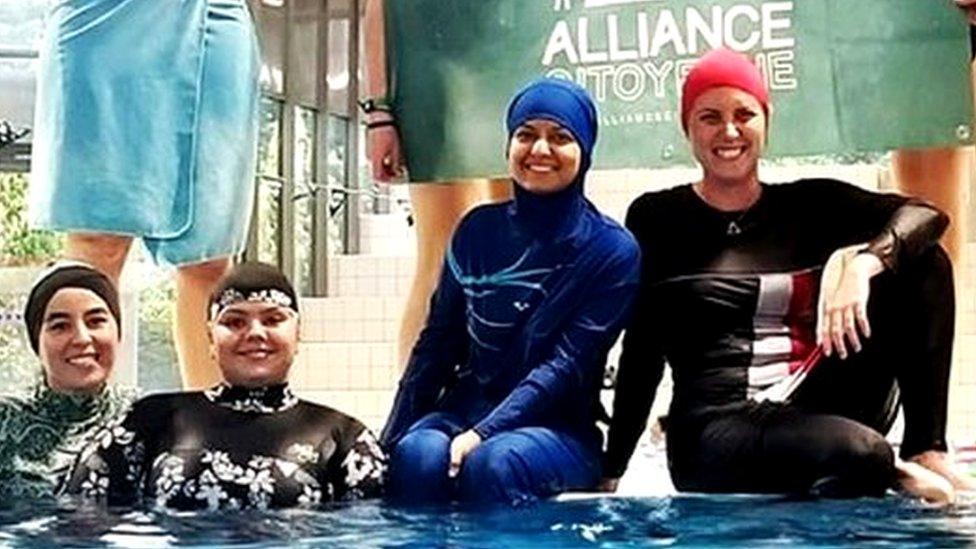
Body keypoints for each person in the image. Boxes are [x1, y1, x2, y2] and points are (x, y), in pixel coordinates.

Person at [602, 48, 972, 504]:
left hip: (809, 404)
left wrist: (865, 263)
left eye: (744, 114)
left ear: (766, 122)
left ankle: (926, 449)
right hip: (714, 430)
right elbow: (641, 351)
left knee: (922, 260)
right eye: (709, 117)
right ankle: (887, 465)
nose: (729, 131)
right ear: (687, 127)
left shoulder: (807, 205)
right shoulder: (658, 216)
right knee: (861, 452)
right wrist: (612, 467)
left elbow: (927, 215)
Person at [381, 78, 640, 505]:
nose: (540, 150)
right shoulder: (476, 230)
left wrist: (483, 433)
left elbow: (565, 365)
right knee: (414, 455)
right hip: (465, 410)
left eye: (560, 137)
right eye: (526, 135)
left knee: (496, 462)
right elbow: (437, 345)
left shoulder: (611, 251)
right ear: (509, 146)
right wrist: (387, 440)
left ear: (586, 151)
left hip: (559, 428)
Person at [29, 0, 261, 388]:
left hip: (214, 21)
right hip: (104, 22)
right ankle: (78, 428)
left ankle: (216, 432)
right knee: (96, 240)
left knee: (209, 260)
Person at [66, 262, 385, 510]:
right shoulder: (149, 419)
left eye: (273, 320)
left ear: (298, 335)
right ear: (210, 340)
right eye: (234, 322)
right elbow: (81, 520)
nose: (255, 333)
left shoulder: (345, 440)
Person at [363, 0, 513, 370]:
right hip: (439, 65)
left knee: (528, 242)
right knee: (442, 251)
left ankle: (520, 402)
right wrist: (379, 110)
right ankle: (413, 409)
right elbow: (378, 7)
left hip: (522, 54)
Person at [0, 263, 136, 499]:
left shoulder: (144, 417)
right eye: (60, 326)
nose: (82, 338)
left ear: (117, 333)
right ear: (37, 344)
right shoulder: (6, 422)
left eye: (95, 322)